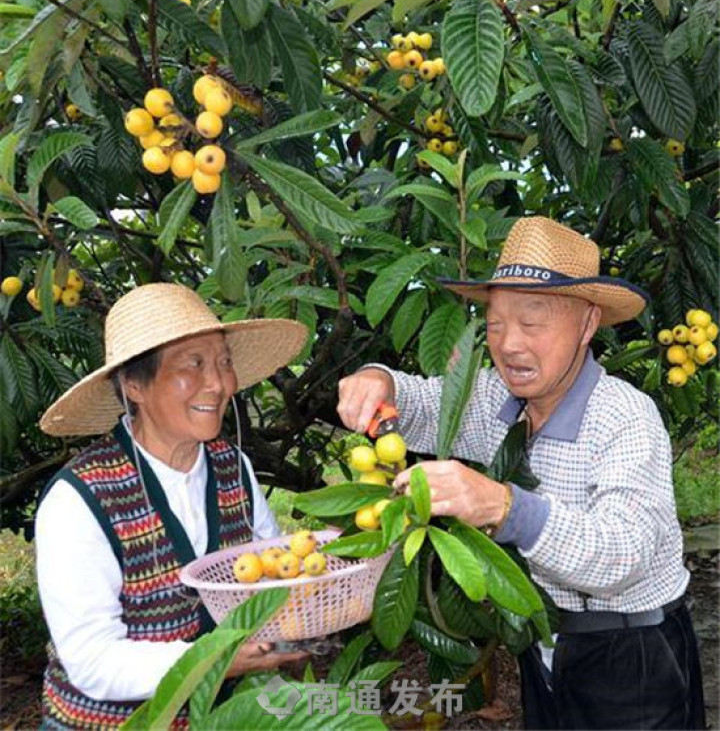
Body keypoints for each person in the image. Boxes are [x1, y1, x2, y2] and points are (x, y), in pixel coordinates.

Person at [337, 217, 705, 730]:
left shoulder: (624, 416)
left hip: (631, 655)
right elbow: (422, 403)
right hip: (544, 643)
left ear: (587, 324)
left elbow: (623, 554)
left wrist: (504, 507)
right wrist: (377, 381)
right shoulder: (497, 396)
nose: (509, 344)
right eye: (495, 324)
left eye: (532, 324)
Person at [36, 282, 309, 729]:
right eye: (193, 364)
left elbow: (274, 571)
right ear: (134, 385)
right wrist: (214, 658)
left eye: (224, 362)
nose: (218, 383)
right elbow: (92, 660)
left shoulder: (232, 467)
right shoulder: (80, 498)